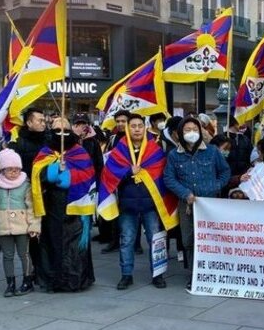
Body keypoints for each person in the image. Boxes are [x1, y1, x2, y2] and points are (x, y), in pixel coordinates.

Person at [98, 113, 179, 290]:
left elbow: (162, 174)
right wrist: (129, 172)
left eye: (139, 126)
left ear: (145, 128)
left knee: (155, 239)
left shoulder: (155, 148)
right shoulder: (120, 149)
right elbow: (109, 175)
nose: (136, 129)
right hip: (128, 205)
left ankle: (158, 275)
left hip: (151, 205)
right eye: (133, 126)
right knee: (126, 240)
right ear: (128, 128)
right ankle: (126, 275)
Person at [163, 117, 230, 290]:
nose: (191, 133)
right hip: (188, 206)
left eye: (194, 129)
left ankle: (212, 273)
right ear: (179, 133)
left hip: (210, 205)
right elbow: (169, 178)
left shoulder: (212, 151)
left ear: (200, 131)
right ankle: (194, 275)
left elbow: (225, 172)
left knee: (210, 239)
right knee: (189, 241)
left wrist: (215, 186)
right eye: (187, 130)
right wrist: (185, 193)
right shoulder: (173, 155)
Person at [31, 117, 96, 292]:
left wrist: (68, 176)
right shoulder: (45, 152)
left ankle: (75, 280)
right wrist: (52, 170)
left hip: (75, 207)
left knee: (74, 246)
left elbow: (89, 175)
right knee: (52, 243)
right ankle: (53, 281)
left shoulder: (80, 152)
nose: (61, 134)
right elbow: (37, 176)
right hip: (52, 207)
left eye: (65, 130)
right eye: (57, 130)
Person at [8, 107, 50, 284]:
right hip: (27, 194)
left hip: (48, 193)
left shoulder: (50, 140)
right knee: (32, 236)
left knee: (48, 235)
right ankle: (31, 273)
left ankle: (46, 272)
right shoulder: (18, 142)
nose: (43, 123)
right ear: (29, 122)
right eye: (39, 120)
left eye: (44, 120)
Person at [0, 149, 40, 297]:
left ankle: (27, 281)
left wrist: (34, 226)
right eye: (10, 169)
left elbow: (32, 207)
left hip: (23, 226)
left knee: (24, 254)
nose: (14, 172)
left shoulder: (25, 184)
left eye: (16, 169)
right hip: (3, 226)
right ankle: (10, 283)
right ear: (2, 169)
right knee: (7, 255)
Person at [72, 112, 104, 182]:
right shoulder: (69, 140)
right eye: (78, 124)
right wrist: (76, 137)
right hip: (72, 178)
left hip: (90, 178)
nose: (81, 126)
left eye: (83, 123)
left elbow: (99, 163)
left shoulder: (93, 141)